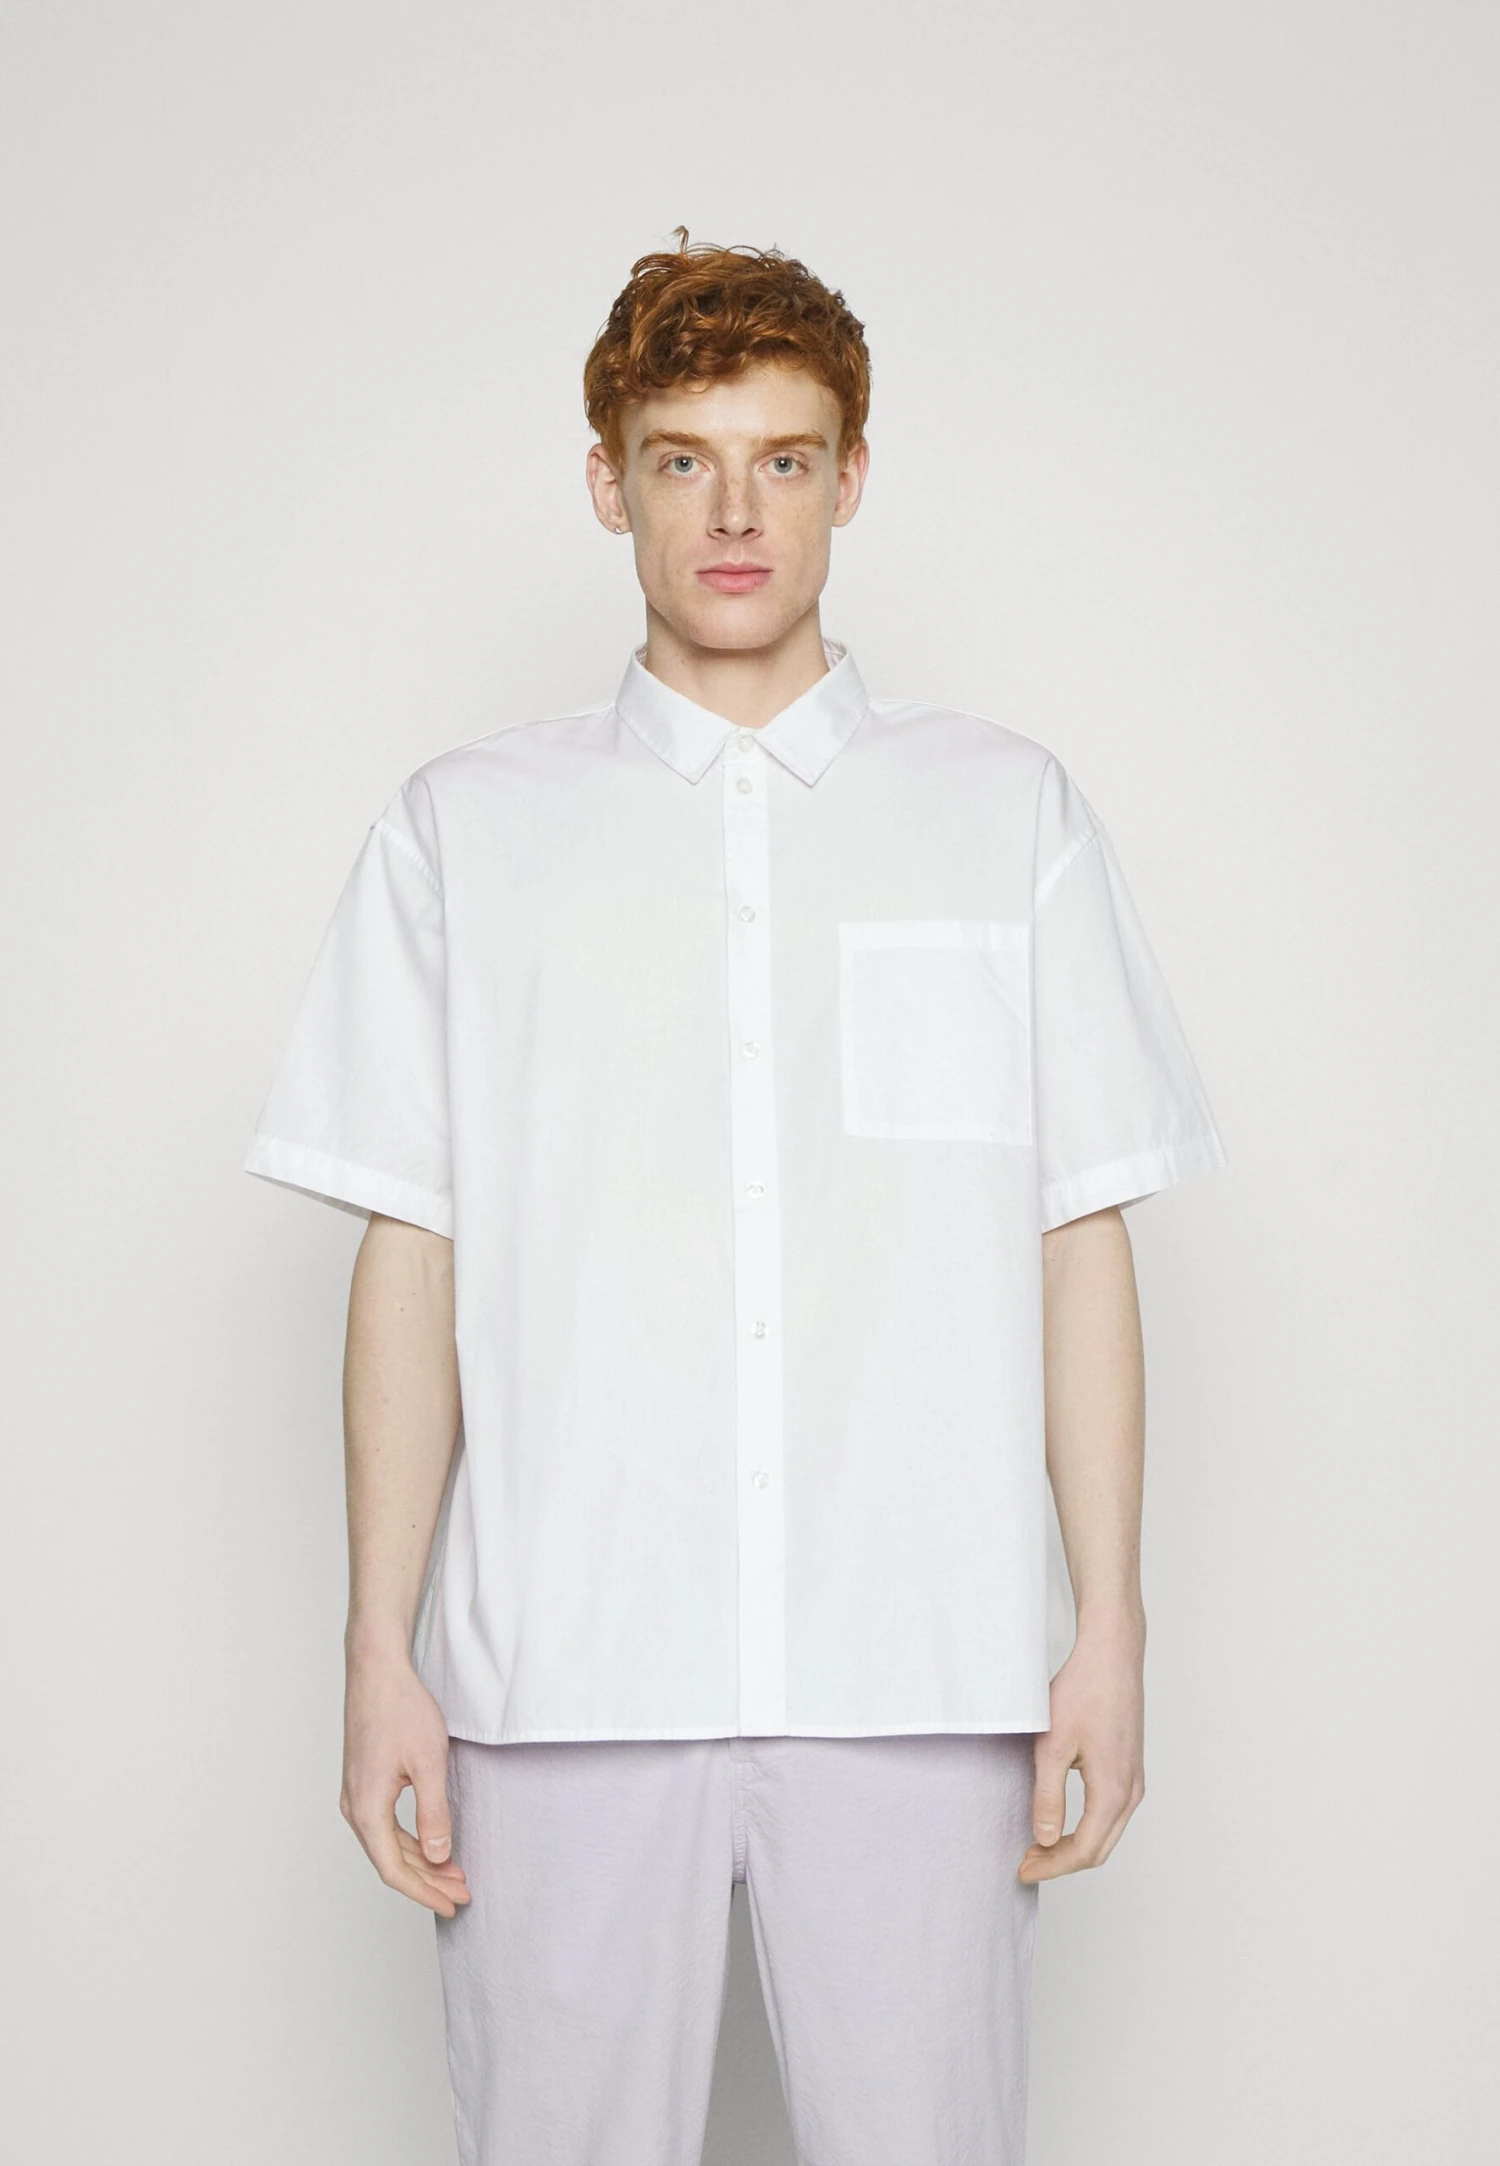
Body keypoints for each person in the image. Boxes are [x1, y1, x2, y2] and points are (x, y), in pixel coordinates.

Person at [243, 228, 1228, 2166]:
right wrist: (379, 1649)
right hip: (562, 1669)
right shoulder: (465, 832)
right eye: (683, 459)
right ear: (607, 481)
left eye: (783, 459)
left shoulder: (1006, 814)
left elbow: (1077, 1239)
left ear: (851, 480)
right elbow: (411, 1252)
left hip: (919, 1664)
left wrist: (1109, 1625)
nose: (734, 512)